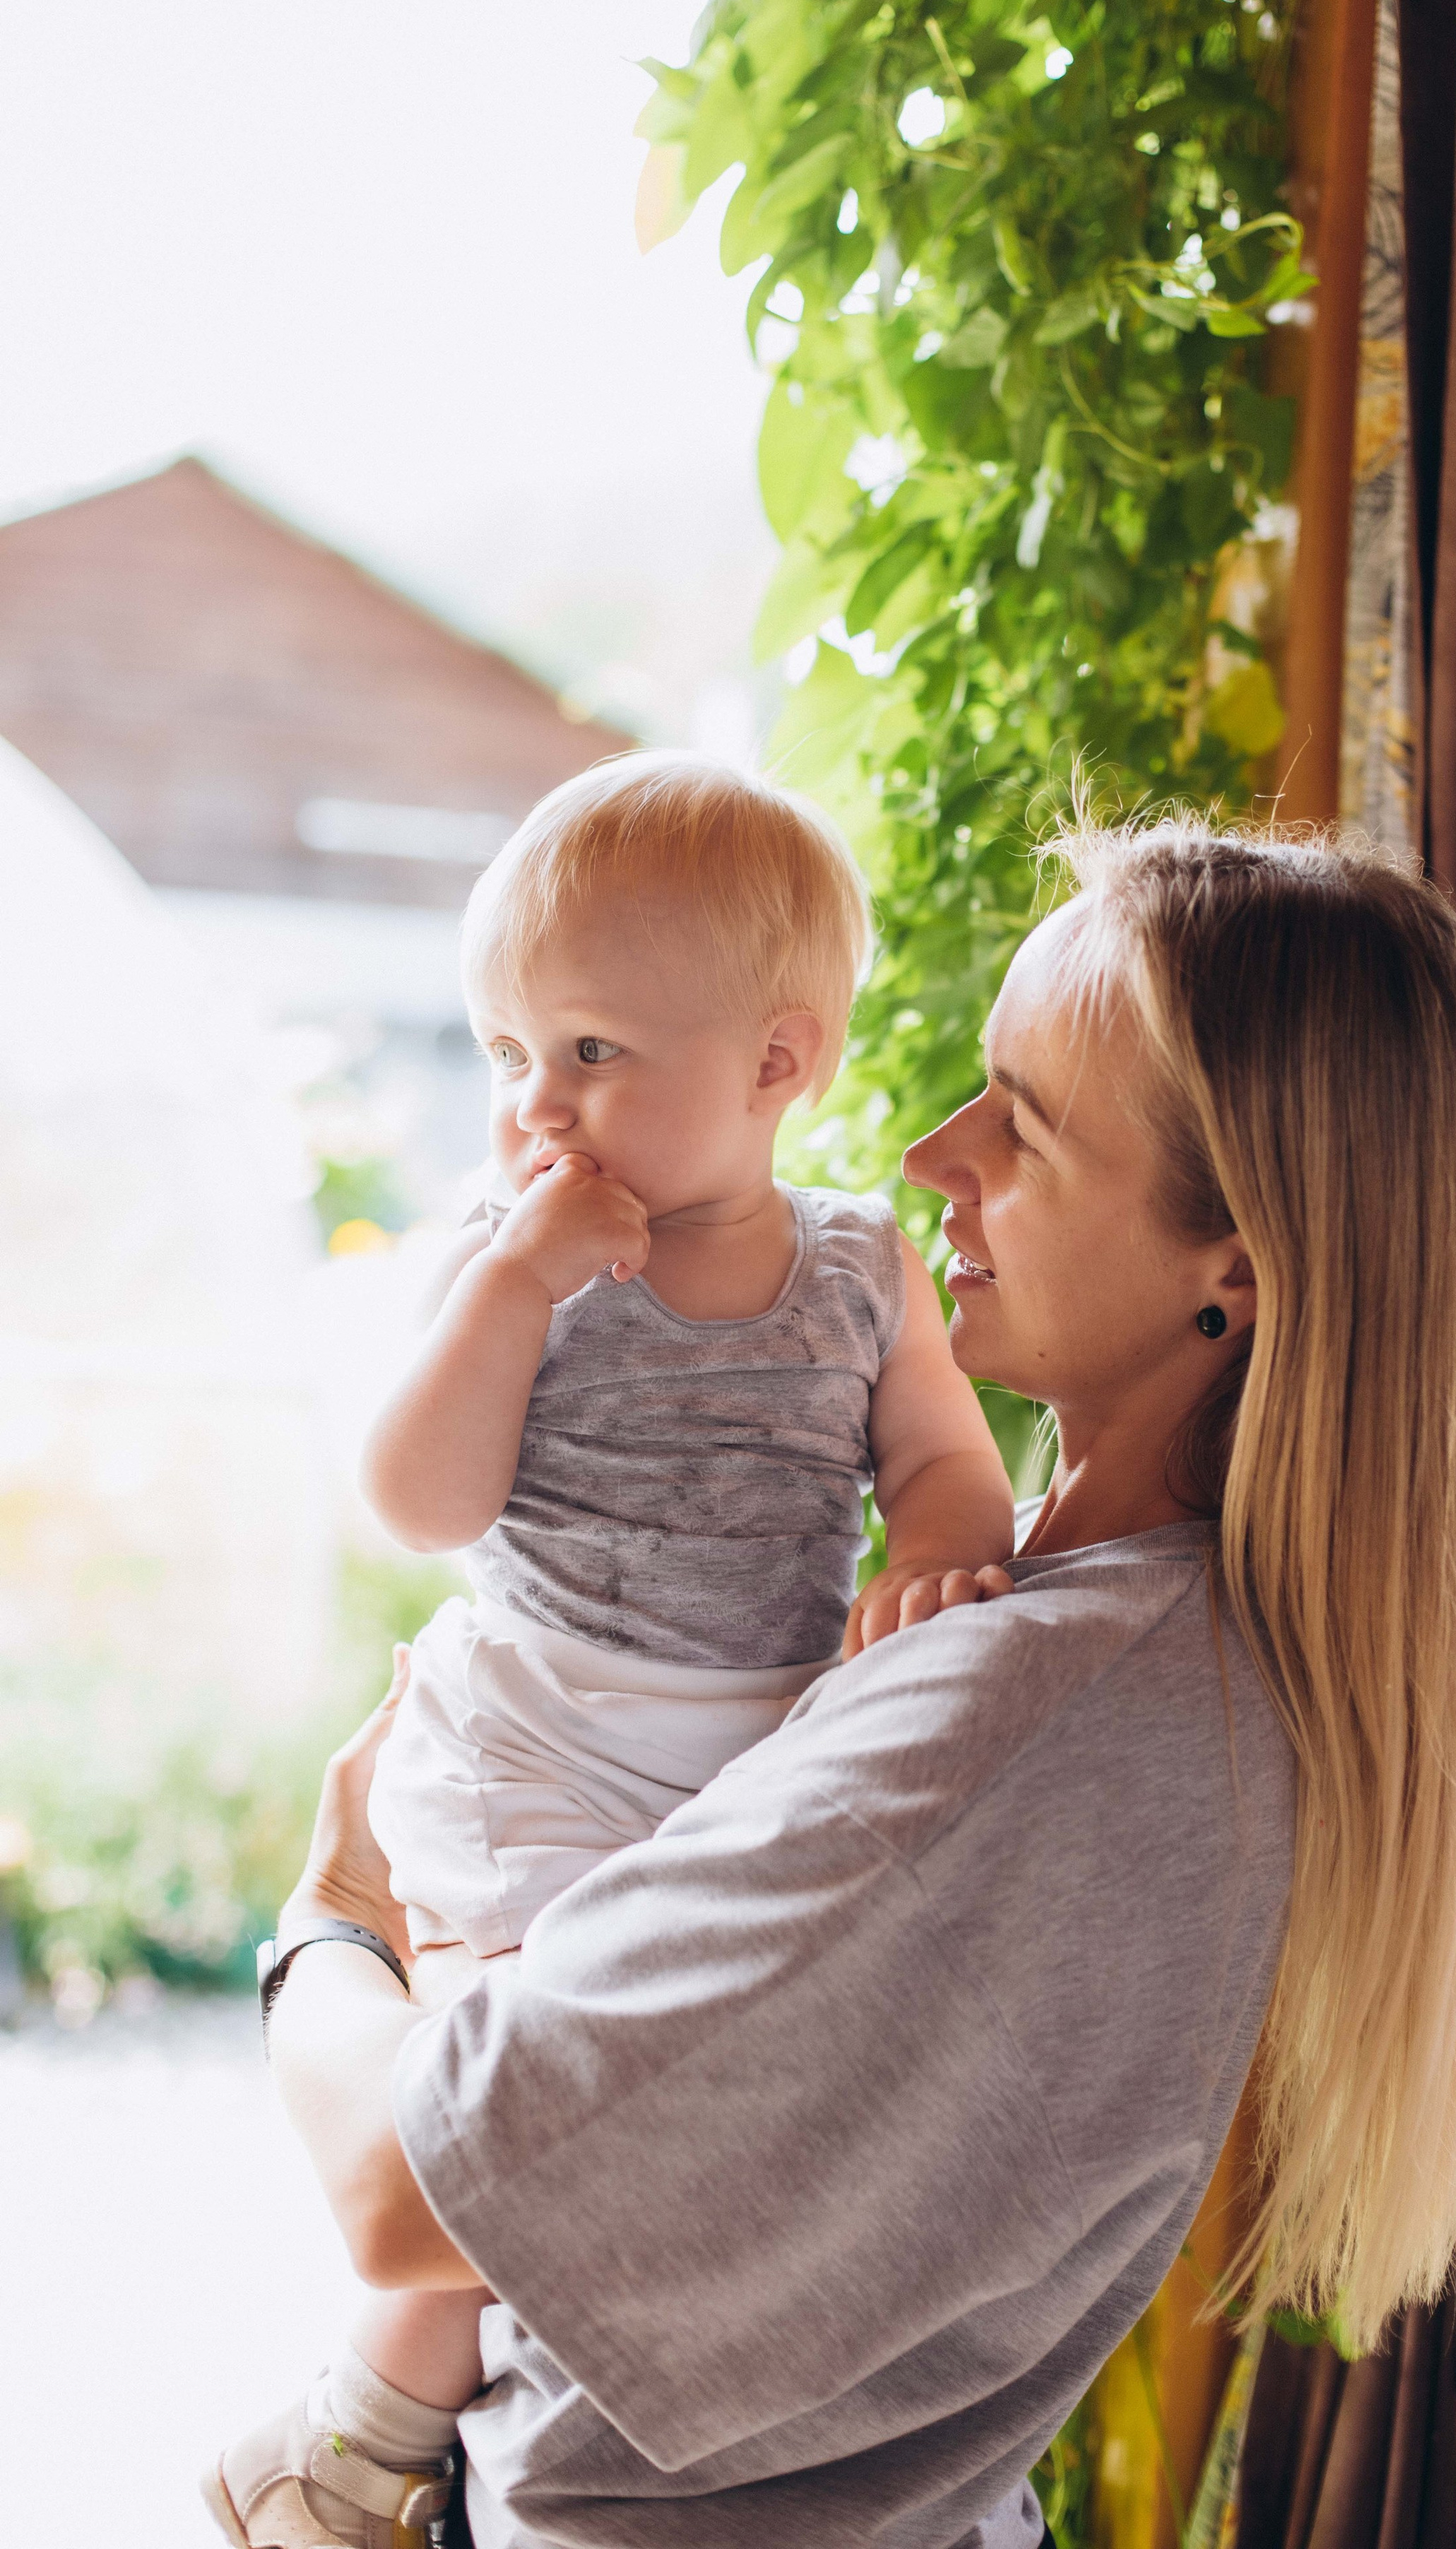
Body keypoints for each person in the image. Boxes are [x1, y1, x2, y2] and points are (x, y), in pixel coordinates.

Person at [237, 816, 1456, 2549]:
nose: (933, 1156)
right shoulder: (1090, 1622)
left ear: (1228, 1275)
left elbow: (405, 2186)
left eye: (1021, 1126)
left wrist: (335, 1924)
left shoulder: (1031, 1714)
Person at [205, 754, 1017, 2549]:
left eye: (586, 1053)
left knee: (669, 2114)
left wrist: (948, 1553)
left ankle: (399, 2434)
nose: (534, 1109)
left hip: (755, 1760)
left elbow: (946, 1464)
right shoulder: (517, 1263)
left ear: (775, 1067)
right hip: (539, 1740)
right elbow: (418, 1502)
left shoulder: (862, 1269)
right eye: (507, 1055)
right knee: (531, 2117)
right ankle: (359, 2446)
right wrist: (511, 1288)